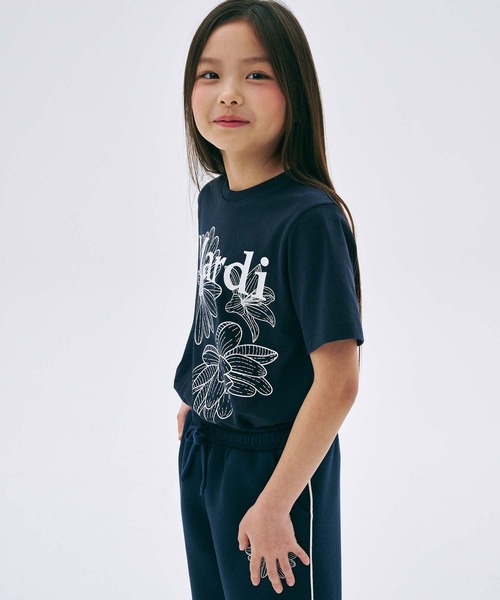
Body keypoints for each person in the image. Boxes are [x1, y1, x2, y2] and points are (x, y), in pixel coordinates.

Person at [173, 1, 364, 598]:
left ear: (295, 93)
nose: (229, 93)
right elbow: (216, 307)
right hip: (206, 450)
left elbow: (339, 381)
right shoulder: (213, 199)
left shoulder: (310, 218)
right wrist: (201, 397)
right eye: (210, 74)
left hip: (278, 467)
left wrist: (277, 501)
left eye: (256, 74)